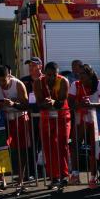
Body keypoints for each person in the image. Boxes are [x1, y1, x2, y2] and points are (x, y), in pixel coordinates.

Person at [0, 65, 31, 191]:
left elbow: (26, 105)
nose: (1, 83)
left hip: (19, 118)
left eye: (3, 80)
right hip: (2, 120)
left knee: (21, 150)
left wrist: (13, 104)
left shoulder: (18, 84)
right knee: (0, 149)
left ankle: (21, 179)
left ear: (9, 76)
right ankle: (2, 179)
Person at [34, 61, 71, 191]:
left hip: (62, 117)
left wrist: (53, 102)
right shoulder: (38, 82)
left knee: (62, 144)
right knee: (48, 147)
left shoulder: (63, 81)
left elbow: (61, 102)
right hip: (46, 117)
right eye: (48, 75)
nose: (51, 78)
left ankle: (65, 175)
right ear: (44, 74)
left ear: (57, 73)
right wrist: (47, 104)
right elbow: (39, 103)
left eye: (54, 75)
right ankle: (54, 177)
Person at [68, 64, 100, 188]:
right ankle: (75, 174)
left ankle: (93, 178)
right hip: (80, 118)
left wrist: (91, 104)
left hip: (95, 119)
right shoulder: (75, 84)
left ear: (89, 74)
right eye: (79, 74)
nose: (80, 76)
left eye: (83, 74)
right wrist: (79, 104)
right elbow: (70, 103)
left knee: (94, 148)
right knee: (75, 145)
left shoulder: (98, 83)